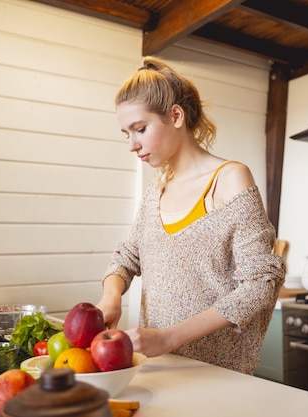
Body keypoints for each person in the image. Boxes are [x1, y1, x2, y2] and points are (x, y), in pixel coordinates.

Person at [96, 56, 285, 374]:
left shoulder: (230, 178)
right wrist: (111, 296)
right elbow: (127, 257)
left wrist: (167, 338)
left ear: (176, 115)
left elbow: (260, 285)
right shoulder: (157, 192)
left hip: (217, 372)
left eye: (140, 129)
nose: (132, 144)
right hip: (162, 369)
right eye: (126, 134)